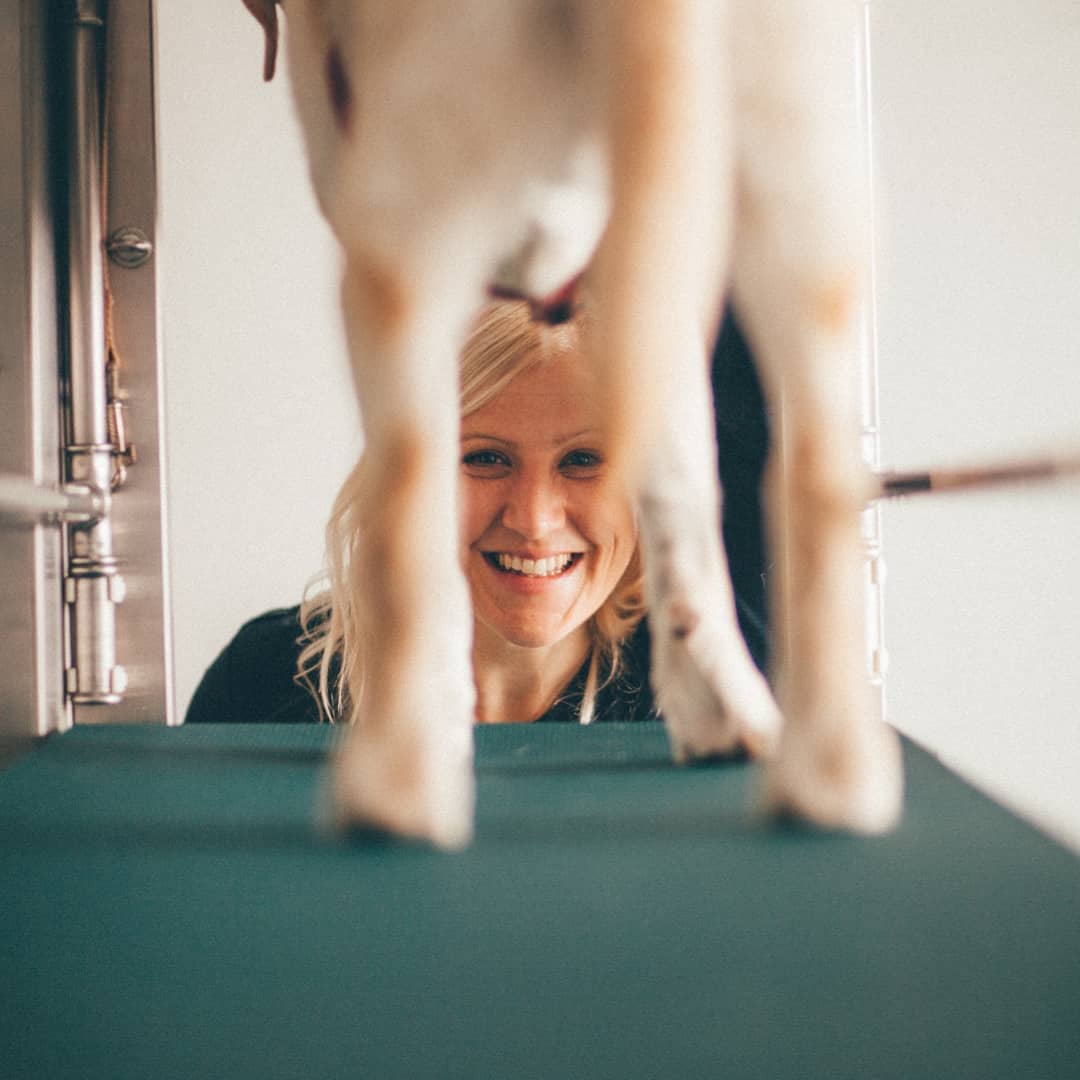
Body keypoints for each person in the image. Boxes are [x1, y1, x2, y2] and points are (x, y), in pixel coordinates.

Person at [185, 299, 771, 725]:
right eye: (485, 458)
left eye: (584, 460)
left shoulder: (711, 691)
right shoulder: (262, 683)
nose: (535, 521)